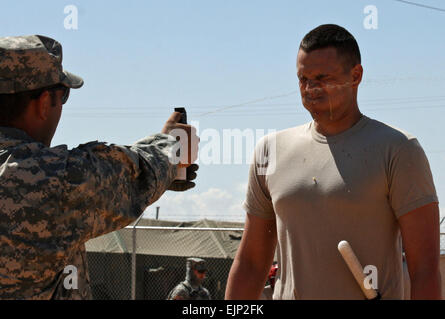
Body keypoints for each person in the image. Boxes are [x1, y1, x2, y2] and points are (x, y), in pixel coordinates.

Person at [225, 24, 441, 300]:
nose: (310, 88)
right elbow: (252, 264)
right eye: (303, 78)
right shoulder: (270, 152)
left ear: (356, 75)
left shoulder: (398, 151)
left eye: (322, 78)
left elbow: (425, 269)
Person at [0, 35, 199, 299]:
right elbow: (130, 179)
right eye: (63, 95)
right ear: (44, 102)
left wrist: (161, 174)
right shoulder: (44, 178)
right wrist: (170, 146)